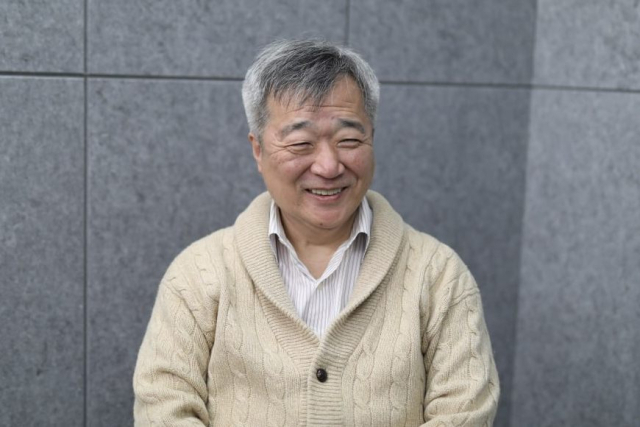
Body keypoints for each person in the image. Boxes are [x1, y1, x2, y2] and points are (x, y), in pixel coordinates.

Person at [133, 39, 499, 426]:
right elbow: (163, 409)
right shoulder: (198, 274)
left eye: (349, 140)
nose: (328, 166)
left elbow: (465, 414)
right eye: (300, 143)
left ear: (372, 137)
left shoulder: (438, 275)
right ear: (258, 150)